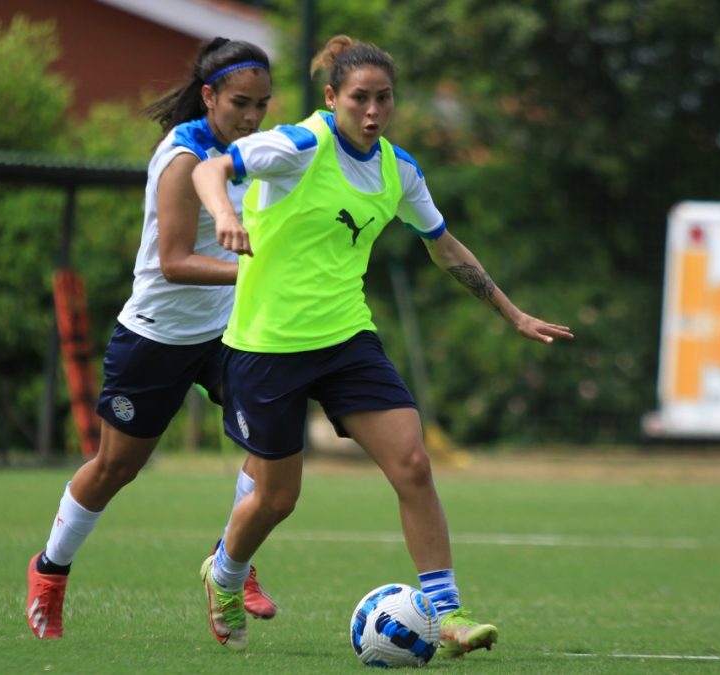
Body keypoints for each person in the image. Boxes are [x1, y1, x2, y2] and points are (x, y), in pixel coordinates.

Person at [191, 35, 574, 655]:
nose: (373, 111)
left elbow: (443, 245)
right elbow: (212, 168)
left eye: (384, 98)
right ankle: (225, 573)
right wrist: (226, 217)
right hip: (266, 346)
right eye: (360, 99)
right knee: (278, 497)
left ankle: (446, 613)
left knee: (414, 464)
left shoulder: (399, 169)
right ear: (332, 97)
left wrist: (512, 312)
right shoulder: (298, 145)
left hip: (346, 338)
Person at [25, 37, 278, 639]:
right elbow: (174, 261)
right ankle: (49, 572)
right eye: (241, 103)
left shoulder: (255, 151)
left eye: (262, 105)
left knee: (273, 442)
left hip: (229, 333)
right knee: (116, 467)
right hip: (157, 335)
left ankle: (230, 564)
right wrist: (258, 272)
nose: (252, 117)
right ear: (210, 96)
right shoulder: (182, 157)